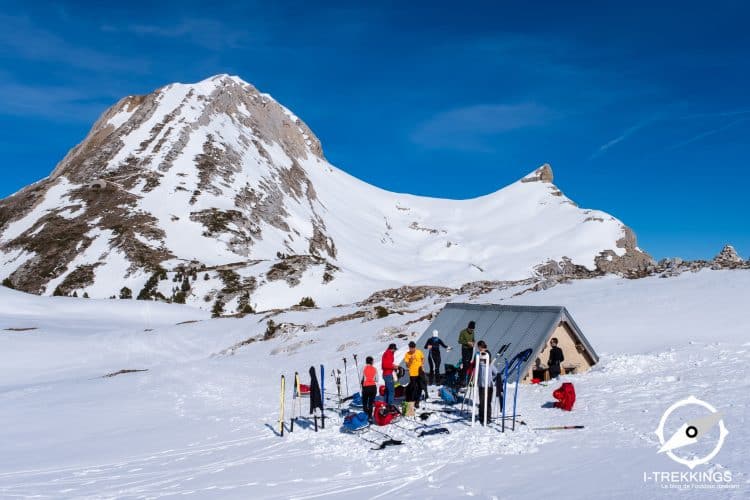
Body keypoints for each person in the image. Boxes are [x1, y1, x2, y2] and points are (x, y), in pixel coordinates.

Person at [475, 340, 497, 426]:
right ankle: (481, 417)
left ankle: (487, 418)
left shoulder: (490, 365)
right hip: (481, 386)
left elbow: (497, 373)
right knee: (481, 402)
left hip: (489, 386)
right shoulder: (479, 364)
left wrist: (493, 380)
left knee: (487, 402)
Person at [403, 341, 425, 411]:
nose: (412, 350)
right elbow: (407, 365)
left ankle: (417, 402)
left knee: (420, 387)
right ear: (409, 348)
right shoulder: (407, 354)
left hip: (420, 372)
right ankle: (411, 403)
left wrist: (422, 365)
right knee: (413, 388)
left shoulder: (419, 352)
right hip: (412, 374)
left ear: (415, 347)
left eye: (413, 348)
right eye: (410, 348)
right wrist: (410, 360)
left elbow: (423, 358)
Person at [361, 356, 378, 420]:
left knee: (364, 402)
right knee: (370, 403)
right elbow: (377, 379)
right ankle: (370, 416)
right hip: (373, 387)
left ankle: (366, 414)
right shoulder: (374, 369)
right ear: (371, 361)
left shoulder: (363, 368)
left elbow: (360, 378)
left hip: (366, 387)